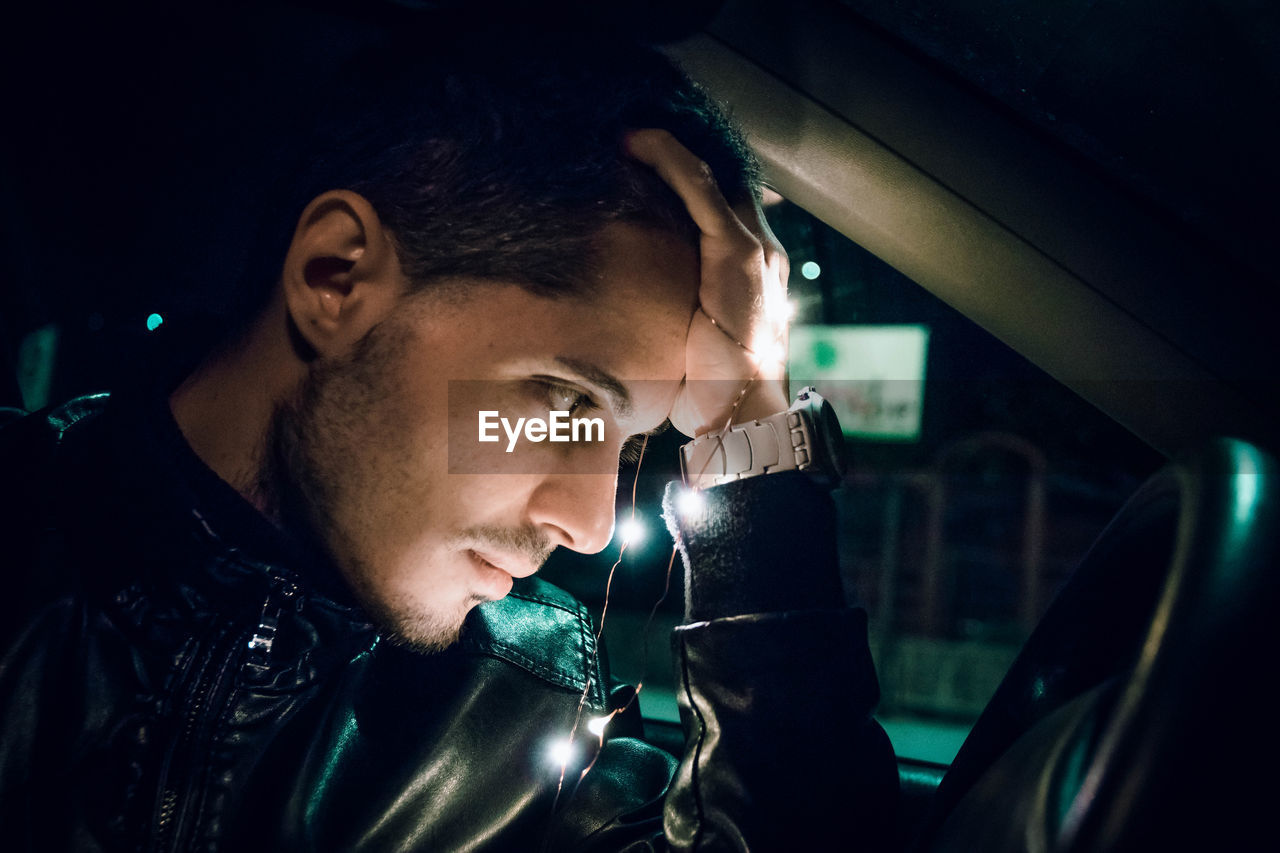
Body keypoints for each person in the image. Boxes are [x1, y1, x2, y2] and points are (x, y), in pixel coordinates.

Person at [0, 25, 897, 851]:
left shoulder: (526, 716)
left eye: (630, 446)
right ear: (335, 277)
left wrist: (751, 435)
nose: (590, 524)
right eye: (565, 402)